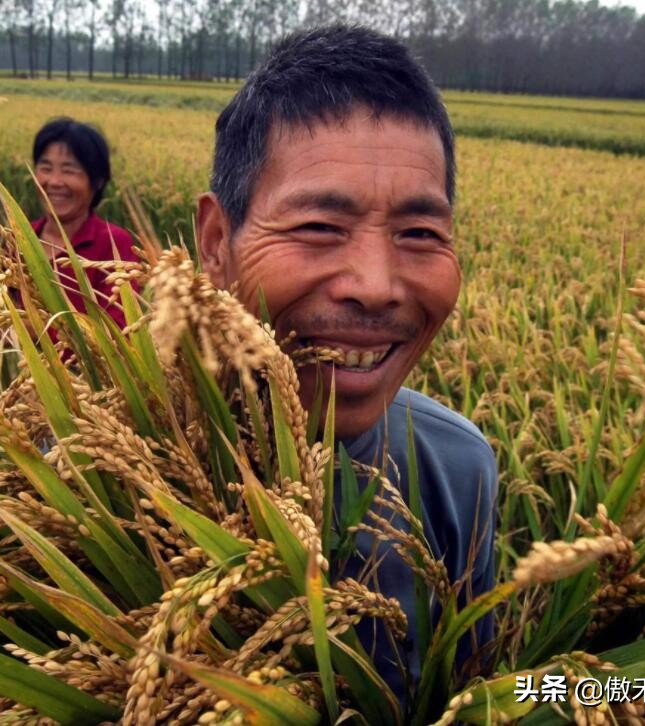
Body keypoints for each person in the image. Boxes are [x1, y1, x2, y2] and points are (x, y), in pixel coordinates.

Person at [195, 25, 498, 705]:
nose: (375, 284)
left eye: (419, 235)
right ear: (217, 242)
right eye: (318, 228)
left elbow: (476, 694)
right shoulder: (73, 468)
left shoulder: (456, 469)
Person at [30, 117, 139, 328]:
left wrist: (32, 329)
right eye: (46, 168)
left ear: (97, 182)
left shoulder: (114, 245)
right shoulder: (20, 238)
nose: (54, 182)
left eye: (69, 170)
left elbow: (118, 332)